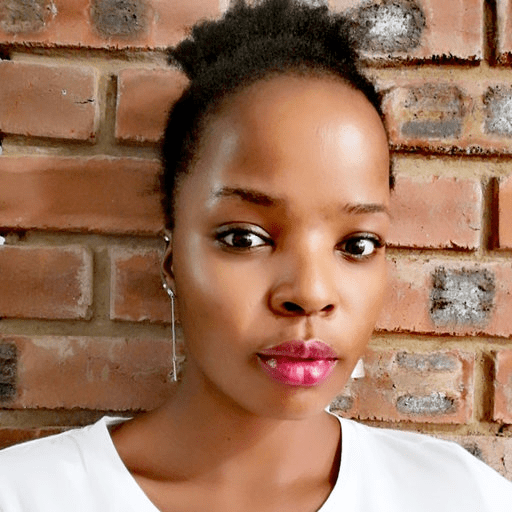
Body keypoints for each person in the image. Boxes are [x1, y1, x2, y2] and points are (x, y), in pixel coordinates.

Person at [0, 1, 511, 510]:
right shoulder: (27, 494)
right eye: (245, 239)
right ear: (172, 260)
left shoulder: (460, 496)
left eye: (357, 245)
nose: (310, 293)